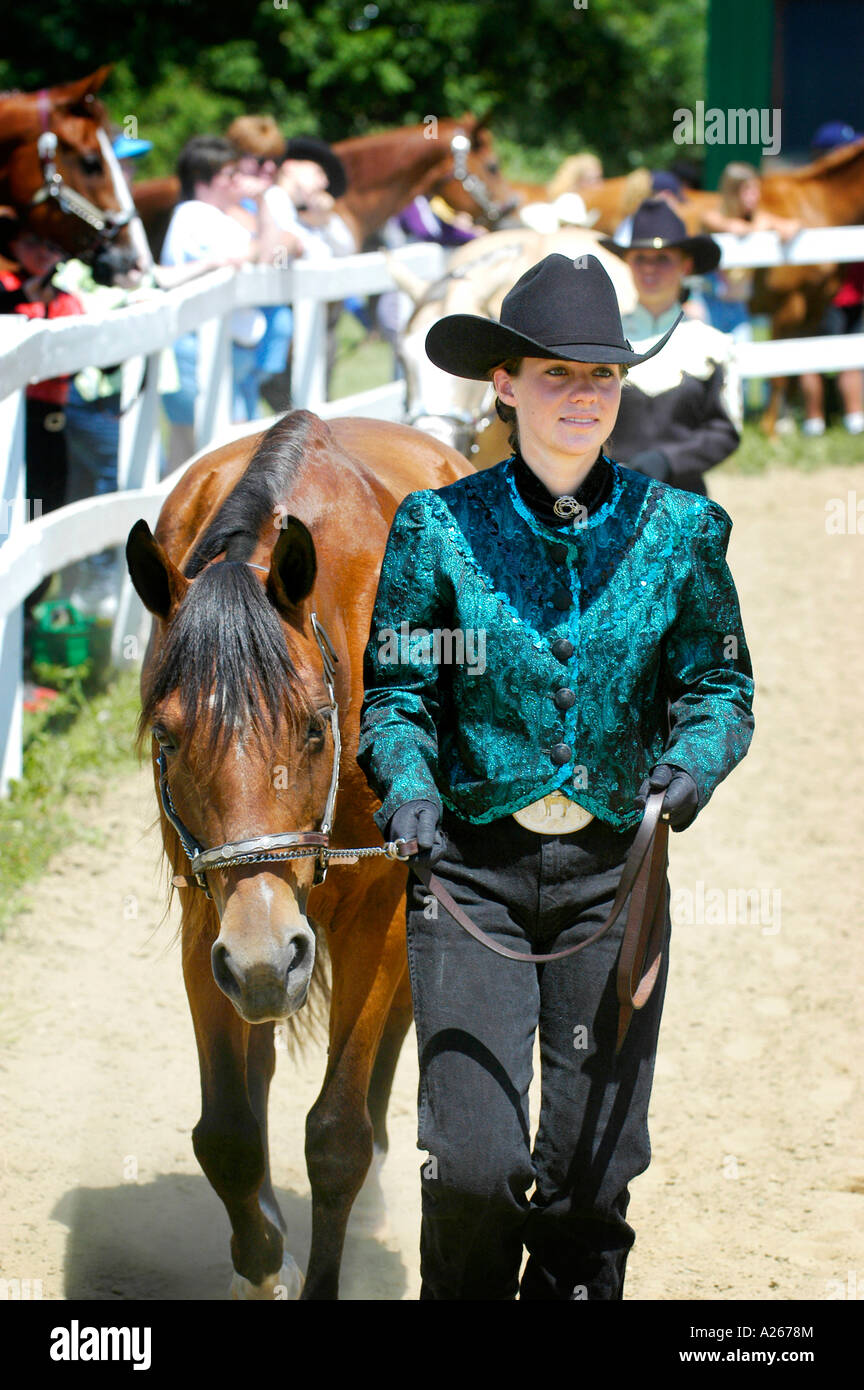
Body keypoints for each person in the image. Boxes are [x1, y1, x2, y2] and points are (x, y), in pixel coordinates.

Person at [357, 252, 755, 1300]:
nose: (584, 396)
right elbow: (397, 693)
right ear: (503, 385)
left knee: (591, 1176)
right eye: (556, 375)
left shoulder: (680, 533)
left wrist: (693, 764)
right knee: (478, 1169)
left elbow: (720, 687)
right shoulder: (436, 530)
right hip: (468, 873)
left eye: (604, 377)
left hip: (615, 879)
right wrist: (406, 779)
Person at [604, 198, 741, 494]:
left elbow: (725, 431)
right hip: (608, 499)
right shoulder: (603, 340)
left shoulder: (712, 345)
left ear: (686, 264)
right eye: (640, 258)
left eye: (663, 258)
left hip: (685, 500)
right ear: (628, 262)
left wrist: (669, 460)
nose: (650, 269)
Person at [797, 122, 864, 437]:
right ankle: (815, 421)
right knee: (814, 352)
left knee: (853, 357)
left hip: (856, 291)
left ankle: (852, 421)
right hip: (828, 293)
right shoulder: (812, 199)